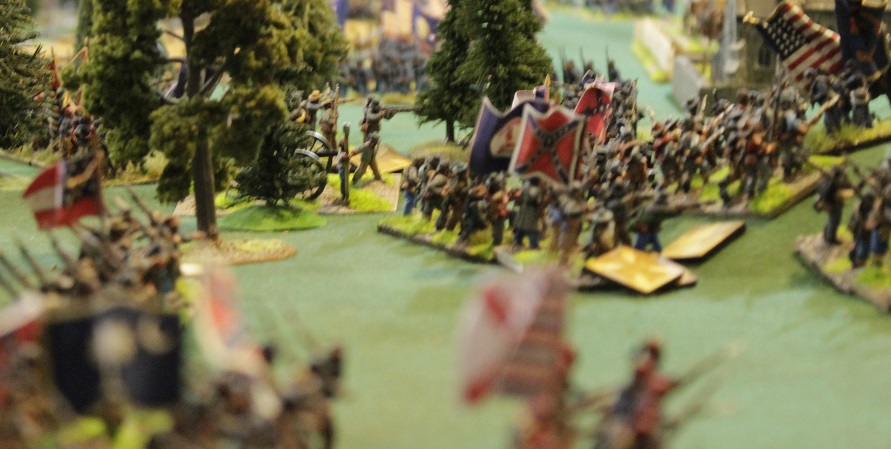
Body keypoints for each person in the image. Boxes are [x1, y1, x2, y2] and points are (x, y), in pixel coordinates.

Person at [814, 166, 854, 245]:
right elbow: (828, 192)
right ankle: (831, 239)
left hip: (828, 202)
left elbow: (847, 186)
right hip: (830, 204)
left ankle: (827, 234)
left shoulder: (828, 180)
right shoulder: (831, 184)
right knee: (834, 221)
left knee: (831, 220)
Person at [513, 177, 545, 250]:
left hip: (523, 208)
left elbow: (521, 197)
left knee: (521, 225)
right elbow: (538, 201)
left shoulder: (525, 187)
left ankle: (517, 241)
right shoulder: (537, 190)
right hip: (531, 210)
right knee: (531, 227)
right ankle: (533, 244)